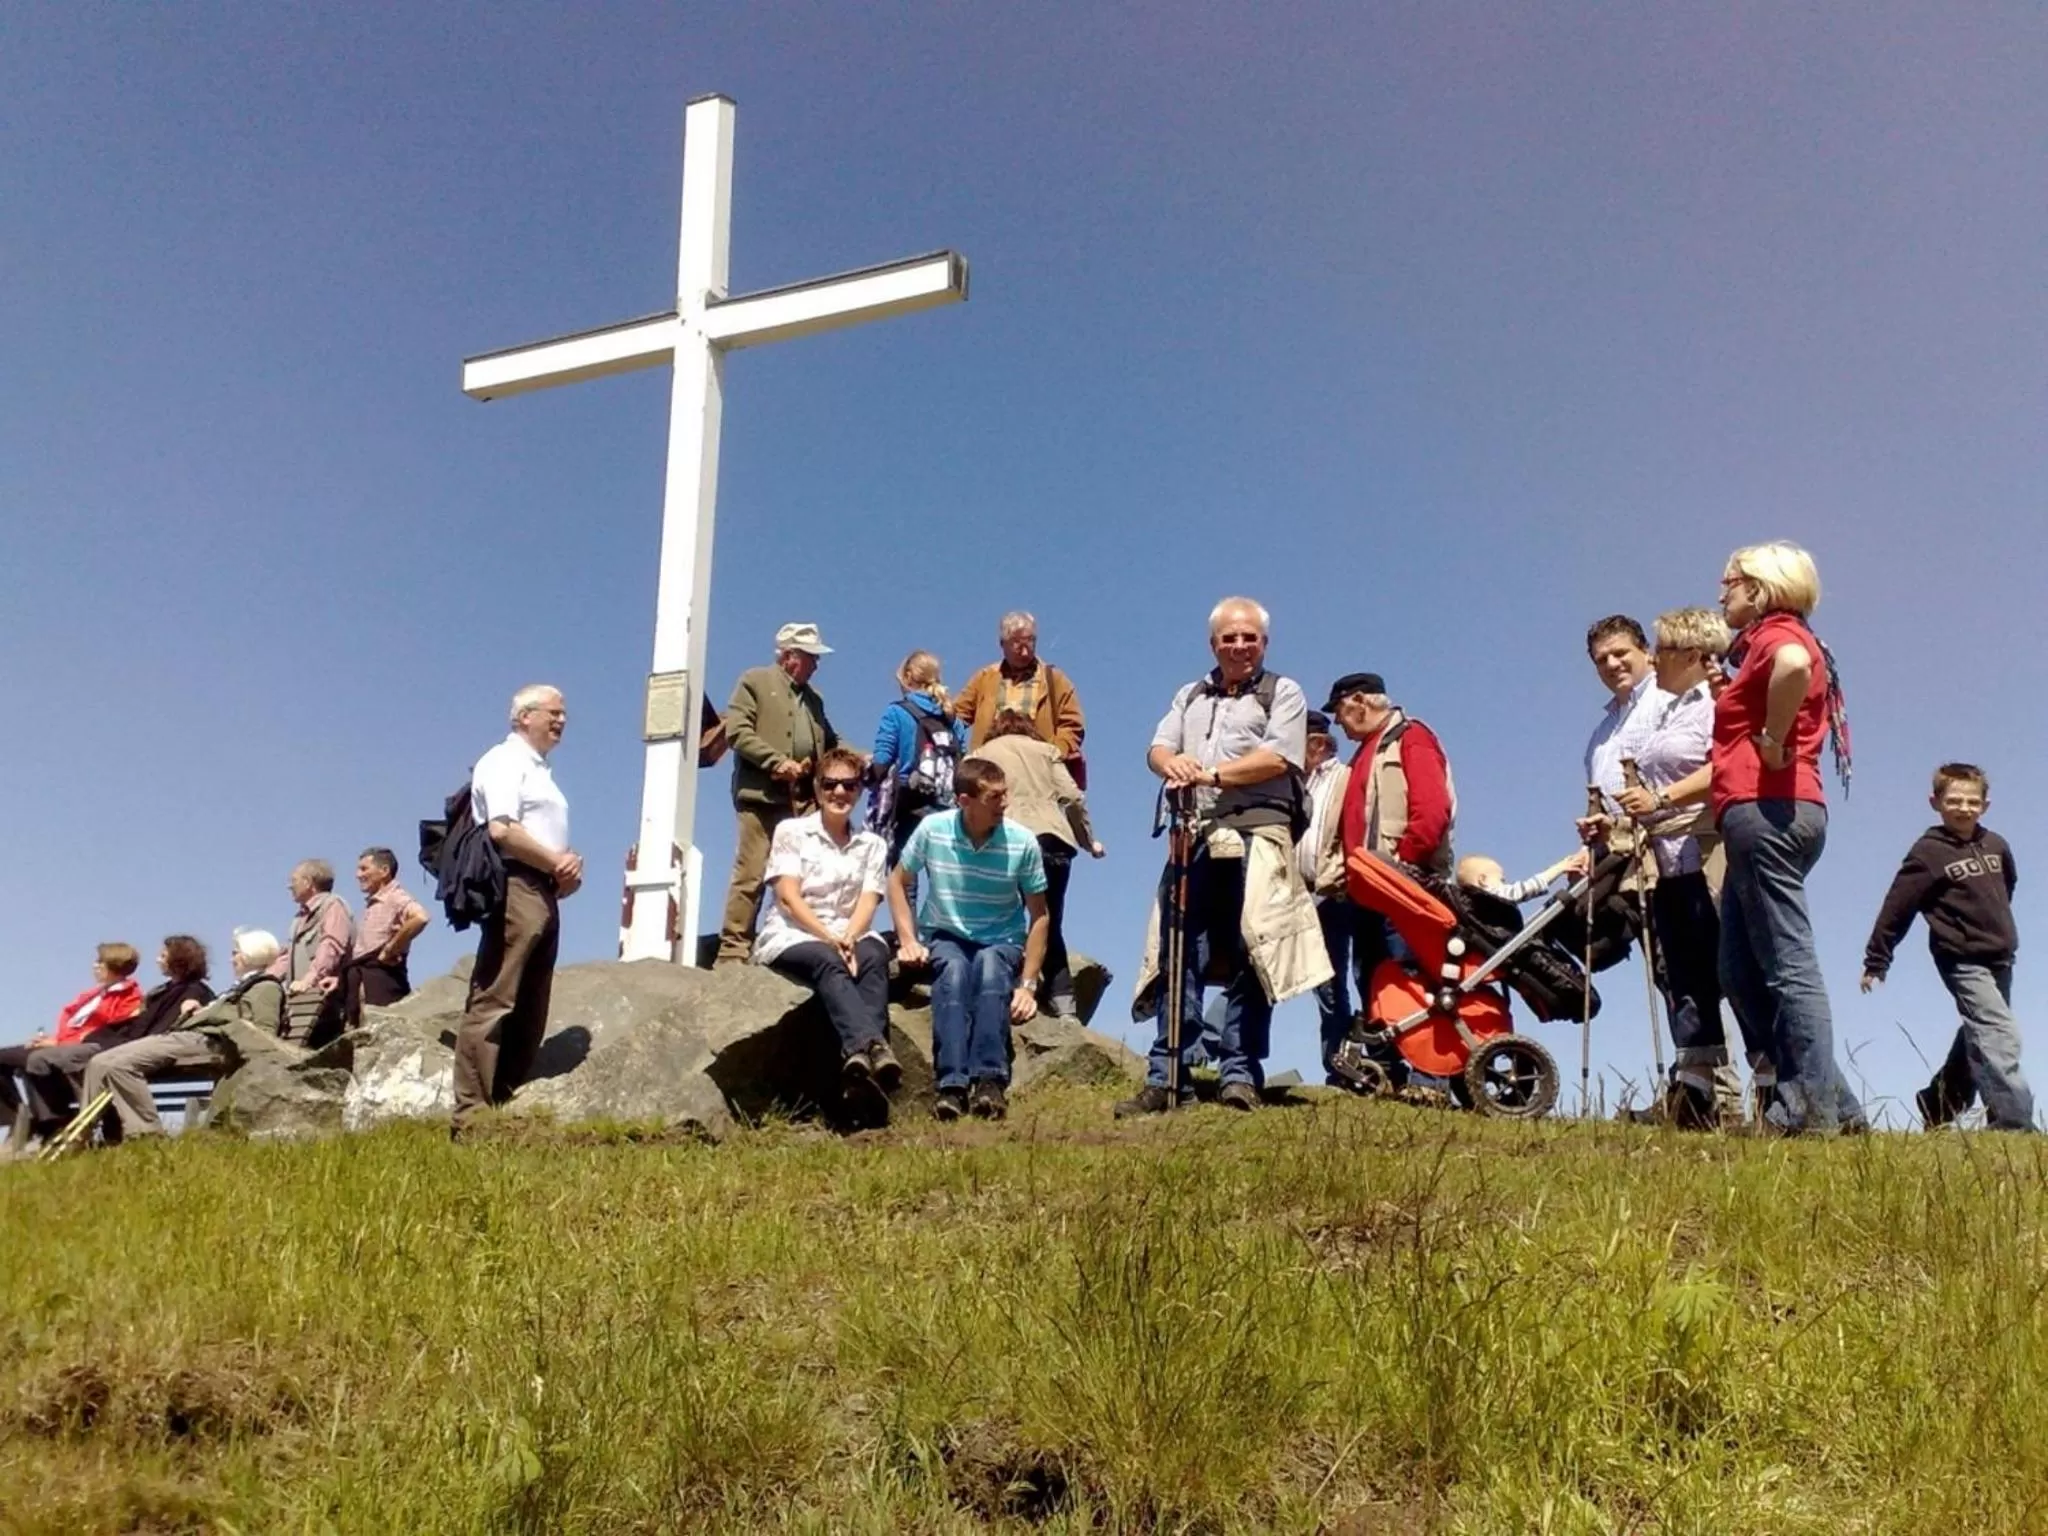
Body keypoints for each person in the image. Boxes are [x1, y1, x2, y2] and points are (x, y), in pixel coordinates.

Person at [1636, 544, 1862, 1134]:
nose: (1721, 593)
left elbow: (1792, 665)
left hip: (1769, 812)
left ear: (1760, 589)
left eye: (1729, 582)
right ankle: (1838, 1106)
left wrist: (1771, 738)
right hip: (1760, 815)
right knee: (1737, 968)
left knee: (1787, 964)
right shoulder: (1757, 645)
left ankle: (1809, 1114)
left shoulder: (1778, 634)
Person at [1118, 598, 1329, 1115]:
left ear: (1264, 643)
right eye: (1229, 638)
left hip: (1259, 835)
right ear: (1213, 644)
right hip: (1195, 836)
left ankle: (1240, 1073)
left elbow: (1280, 755)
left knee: (1252, 953)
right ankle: (1169, 1072)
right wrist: (1174, 762)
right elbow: (1157, 748)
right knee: (1178, 950)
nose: (1239, 646)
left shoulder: (1285, 692)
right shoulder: (1190, 693)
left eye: (1249, 637)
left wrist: (1209, 775)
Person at [1611, 606, 1755, 1127]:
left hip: (1709, 853)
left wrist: (1662, 797)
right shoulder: (1671, 709)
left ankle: (1769, 1090)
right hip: (1667, 863)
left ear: (1692, 655)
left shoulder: (1718, 703)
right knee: (1686, 981)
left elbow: (1733, 765)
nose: (1654, 657)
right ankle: (1696, 1095)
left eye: (1662, 649)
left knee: (1735, 974)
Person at [1862, 763, 2035, 1132]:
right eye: (1953, 800)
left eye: (1973, 801)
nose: (1963, 808)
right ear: (1935, 802)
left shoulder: (1996, 845)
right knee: (1999, 1033)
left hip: (2000, 957)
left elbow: (2008, 888)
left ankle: (1938, 1102)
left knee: (1981, 1031)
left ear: (1985, 805)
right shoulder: (1929, 852)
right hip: (1961, 958)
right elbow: (1898, 906)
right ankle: (2013, 1123)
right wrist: (1877, 959)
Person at [888, 757, 1050, 1121]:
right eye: (994, 797)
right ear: (965, 801)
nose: (1004, 804)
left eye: (1005, 794)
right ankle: (951, 1086)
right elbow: (898, 880)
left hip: (1002, 937)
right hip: (947, 933)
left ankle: (990, 1081)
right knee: (955, 973)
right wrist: (907, 938)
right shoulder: (933, 829)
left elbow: (1040, 916)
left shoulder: (1022, 842)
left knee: (991, 970)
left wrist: (1027, 986)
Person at [453, 684, 583, 1133]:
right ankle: (471, 1111)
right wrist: (555, 861)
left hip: (542, 887)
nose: (561, 720)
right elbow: (502, 831)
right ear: (524, 716)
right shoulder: (504, 760)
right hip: (515, 884)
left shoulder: (541, 770)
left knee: (532, 999)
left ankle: (504, 1098)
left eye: (564, 714)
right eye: (554, 712)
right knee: (497, 994)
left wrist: (562, 873)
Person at [1318, 671, 1456, 1084]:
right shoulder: (1364, 753)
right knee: (1376, 978)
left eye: (1341, 711)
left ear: (1359, 701)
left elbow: (1432, 808)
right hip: (1370, 890)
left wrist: (1404, 862)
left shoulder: (1410, 737)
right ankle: (1388, 1069)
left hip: (1405, 885)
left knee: (1411, 973)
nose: (1339, 723)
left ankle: (1431, 1075)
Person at [754, 747, 901, 1096]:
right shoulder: (792, 831)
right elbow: (788, 897)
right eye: (831, 784)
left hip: (851, 929)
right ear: (818, 788)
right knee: (827, 960)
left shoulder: (872, 844)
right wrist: (830, 939)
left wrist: (849, 936)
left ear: (860, 791)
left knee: (874, 959)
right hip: (796, 932)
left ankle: (861, 1070)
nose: (839, 793)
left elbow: (870, 898)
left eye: (849, 785)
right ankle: (872, 1045)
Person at [81, 929, 286, 1143]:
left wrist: (217, 1020)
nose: (232, 958)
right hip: (188, 1036)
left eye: (236, 952)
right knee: (100, 1061)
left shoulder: (266, 987)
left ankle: (147, 1135)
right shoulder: (242, 987)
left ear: (251, 954)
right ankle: (82, 1134)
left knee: (119, 1065)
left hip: (207, 1042)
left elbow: (264, 1033)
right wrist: (202, 1011)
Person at [716, 623, 840, 965]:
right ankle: (733, 951)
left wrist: (858, 759)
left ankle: (794, 940)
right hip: (761, 797)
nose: (816, 665)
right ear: (789, 657)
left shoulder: (814, 699)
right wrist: (775, 761)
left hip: (800, 802)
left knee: (800, 875)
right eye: (811, 657)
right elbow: (737, 732)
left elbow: (830, 742)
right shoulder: (755, 681)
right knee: (752, 871)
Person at [969, 710, 1104, 1018]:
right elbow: (1072, 797)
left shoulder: (981, 755)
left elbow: (967, 800)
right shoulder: (1046, 751)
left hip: (1006, 839)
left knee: (1004, 920)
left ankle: (1000, 994)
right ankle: (1064, 1003)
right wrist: (1088, 841)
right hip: (1053, 839)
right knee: (1047, 919)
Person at [16, 937, 213, 1142]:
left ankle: (109, 1130)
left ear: (179, 960)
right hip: (120, 1042)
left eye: (163, 955)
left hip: (145, 1047)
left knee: (86, 1061)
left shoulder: (193, 991)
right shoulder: (161, 992)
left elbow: (162, 1027)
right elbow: (134, 1026)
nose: (157, 960)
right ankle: (80, 1127)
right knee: (89, 1062)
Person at [0, 943, 143, 1145]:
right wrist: (54, 1040)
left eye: (99, 962)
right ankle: (19, 1118)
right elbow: (73, 1026)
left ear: (113, 965)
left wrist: (58, 1043)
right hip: (63, 1043)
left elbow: (107, 1033)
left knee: (37, 1060)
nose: (95, 966)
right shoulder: (93, 995)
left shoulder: (128, 996)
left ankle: (52, 1123)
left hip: (86, 1048)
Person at [1300, 710, 1365, 1083]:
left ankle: (1339, 1063)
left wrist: (1332, 879)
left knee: (1329, 981)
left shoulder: (1346, 778)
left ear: (1321, 743)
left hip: (1332, 895)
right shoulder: (1288, 779)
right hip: (1289, 893)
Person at [952, 611, 1086, 760]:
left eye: (1030, 643)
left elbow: (1072, 725)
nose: (1024, 652)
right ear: (1002, 644)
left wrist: (1056, 753)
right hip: (990, 770)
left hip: (1035, 768)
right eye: (1017, 645)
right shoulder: (985, 678)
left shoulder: (1055, 680)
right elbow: (957, 715)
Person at [870, 650, 959, 866]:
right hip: (945, 806)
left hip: (907, 803)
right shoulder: (951, 717)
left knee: (904, 878)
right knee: (941, 875)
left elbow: (882, 761)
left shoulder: (896, 712)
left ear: (909, 676)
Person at [1581, 615, 1672, 820]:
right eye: (1602, 660)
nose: (1612, 664)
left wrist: (1657, 800)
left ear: (1645, 650)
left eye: (1620, 653)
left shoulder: (1672, 696)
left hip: (1688, 841)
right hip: (1628, 847)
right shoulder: (1600, 738)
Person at [335, 846, 431, 1032]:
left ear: (384, 871)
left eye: (364, 869)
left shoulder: (396, 897)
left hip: (382, 979)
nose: (358, 875)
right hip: (360, 979)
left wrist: (390, 949)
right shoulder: (374, 902)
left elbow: (421, 917)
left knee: (378, 1033)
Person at [266, 860, 354, 1043]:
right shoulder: (299, 918)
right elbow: (287, 958)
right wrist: (262, 981)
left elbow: (332, 945)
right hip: (303, 1007)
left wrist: (309, 980)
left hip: (327, 1006)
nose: (289, 886)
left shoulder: (333, 906)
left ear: (308, 882)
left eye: (294, 880)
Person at [1456, 851, 1589, 904]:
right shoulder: (1487, 900)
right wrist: (1561, 867)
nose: (1505, 884)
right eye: (1501, 880)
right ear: (1483, 880)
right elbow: (1526, 889)